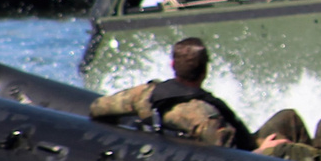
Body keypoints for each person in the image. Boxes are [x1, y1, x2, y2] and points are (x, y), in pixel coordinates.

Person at [89, 37, 255, 148]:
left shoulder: (145, 94)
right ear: (205, 71)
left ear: (172, 65)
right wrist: (268, 149)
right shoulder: (205, 116)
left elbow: (98, 108)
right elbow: (236, 158)